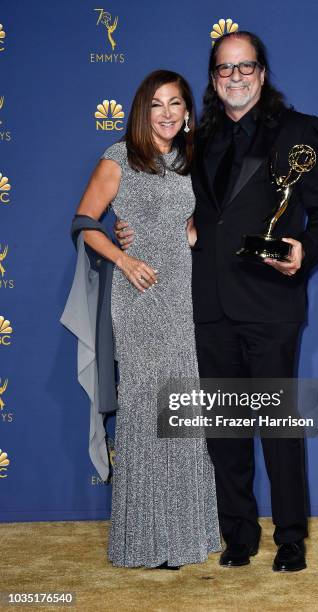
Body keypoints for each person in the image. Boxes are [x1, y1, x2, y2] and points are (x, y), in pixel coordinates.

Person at [115, 32, 318, 572]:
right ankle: (237, 533)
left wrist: (303, 249)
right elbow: (171, 207)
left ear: (262, 74)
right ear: (214, 80)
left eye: (245, 68)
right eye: (224, 70)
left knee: (279, 428)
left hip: (269, 303)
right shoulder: (200, 138)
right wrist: (134, 233)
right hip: (208, 305)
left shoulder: (298, 130)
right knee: (224, 431)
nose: (235, 78)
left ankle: (290, 538)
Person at [72, 70, 221, 569]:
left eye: (175, 104)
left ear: (187, 112)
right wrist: (123, 258)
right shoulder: (119, 158)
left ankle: (181, 538)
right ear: (143, 110)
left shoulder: (190, 160)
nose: (166, 113)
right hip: (138, 296)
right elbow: (83, 221)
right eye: (156, 104)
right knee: (142, 411)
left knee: (178, 410)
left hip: (182, 294)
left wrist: (192, 236)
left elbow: (200, 220)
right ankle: (142, 540)